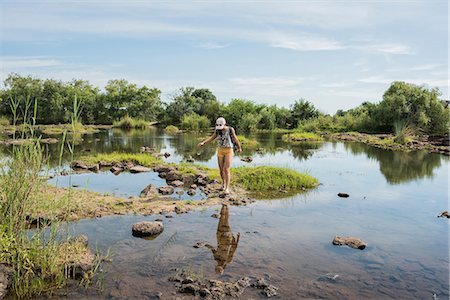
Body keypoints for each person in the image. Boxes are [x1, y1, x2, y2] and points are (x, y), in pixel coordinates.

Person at [197, 117, 242, 194]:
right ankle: (223, 184)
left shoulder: (230, 129)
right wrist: (203, 142)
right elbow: (212, 137)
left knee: (226, 169)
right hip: (220, 150)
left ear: (224, 124)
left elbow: (235, 139)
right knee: (221, 170)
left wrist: (239, 147)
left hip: (229, 150)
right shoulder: (217, 130)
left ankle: (227, 188)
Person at [204, 204, 240, 274]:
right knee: (224, 219)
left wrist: (205, 245)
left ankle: (225, 205)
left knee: (224, 219)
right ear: (222, 269)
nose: (217, 268)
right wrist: (237, 240)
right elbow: (233, 249)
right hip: (224, 238)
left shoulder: (219, 258)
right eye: (218, 270)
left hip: (223, 237)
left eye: (216, 269)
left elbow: (212, 249)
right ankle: (225, 205)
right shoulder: (226, 260)